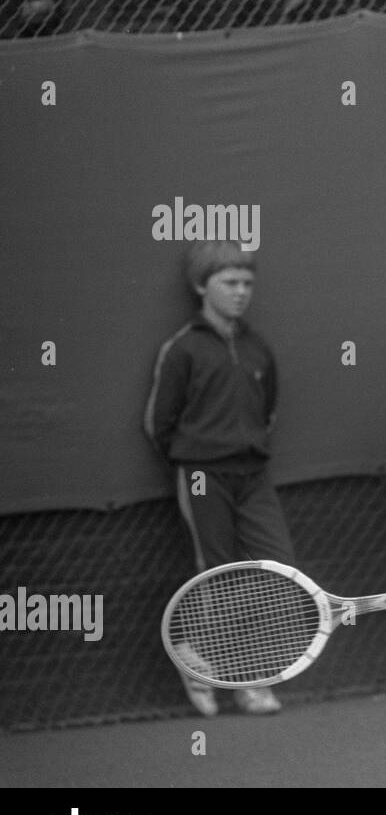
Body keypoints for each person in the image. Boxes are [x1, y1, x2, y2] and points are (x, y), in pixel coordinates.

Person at [144, 240, 294, 717]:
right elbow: (157, 424)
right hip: (203, 476)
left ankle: (202, 657)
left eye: (248, 283)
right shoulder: (183, 348)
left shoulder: (258, 347)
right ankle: (242, 680)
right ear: (199, 286)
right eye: (229, 283)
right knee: (219, 576)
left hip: (253, 475)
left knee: (277, 570)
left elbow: (267, 410)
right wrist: (196, 461)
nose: (241, 292)